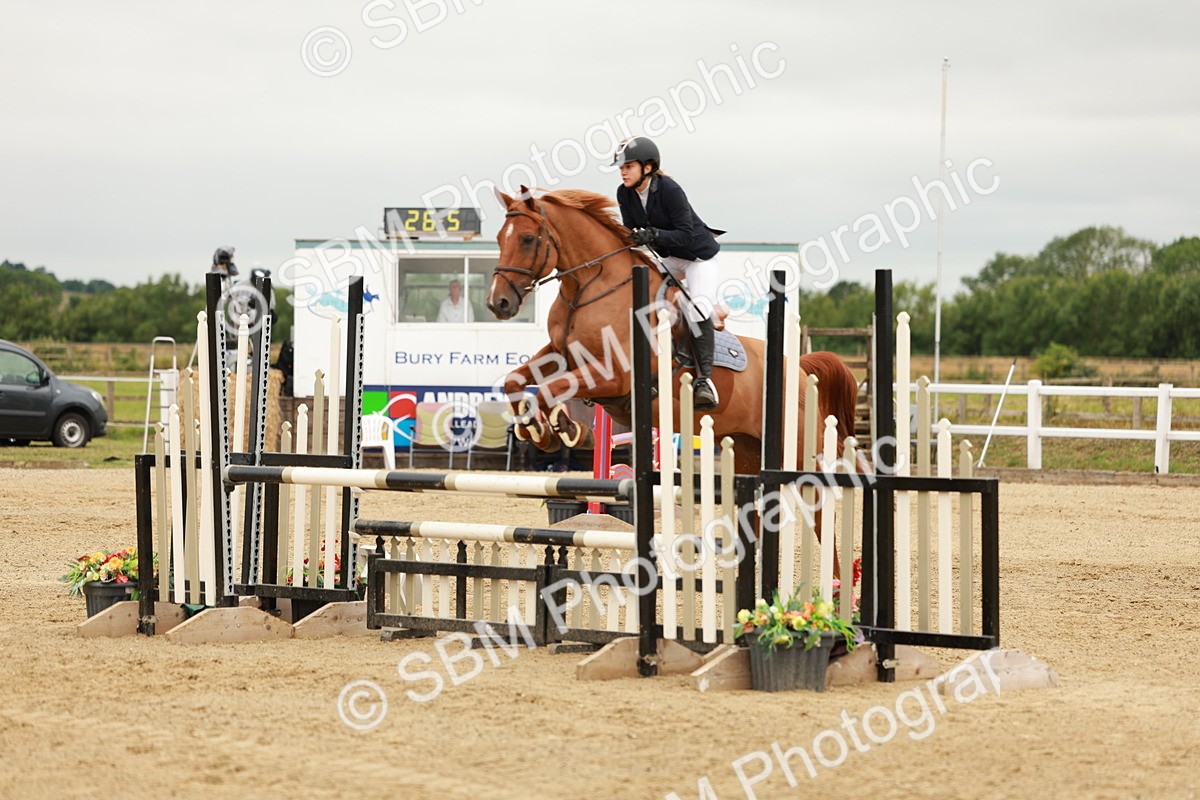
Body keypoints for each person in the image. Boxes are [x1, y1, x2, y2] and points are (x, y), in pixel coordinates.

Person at [613, 136, 724, 409]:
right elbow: (632, 232)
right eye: (621, 167)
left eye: (628, 166)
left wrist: (653, 234)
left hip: (697, 258)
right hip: (669, 258)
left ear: (648, 167)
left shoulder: (670, 189)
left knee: (697, 309)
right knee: (643, 300)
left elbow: (685, 234)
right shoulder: (624, 193)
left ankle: (704, 381)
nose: (623, 171)